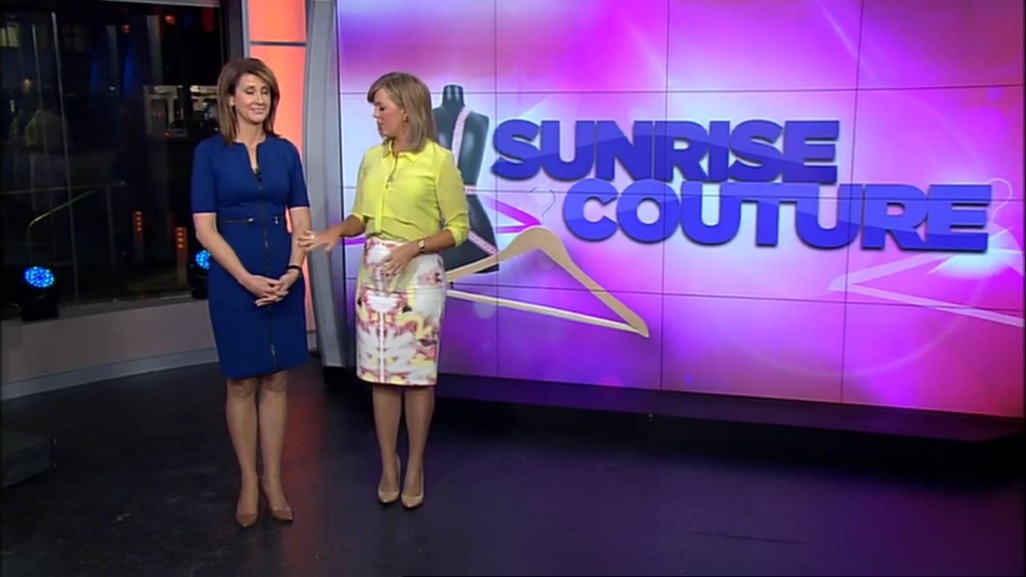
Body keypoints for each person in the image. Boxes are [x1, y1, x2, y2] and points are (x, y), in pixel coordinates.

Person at [300, 71, 470, 510]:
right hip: (375, 277)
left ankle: (415, 467)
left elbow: (458, 229)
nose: (376, 116)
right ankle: (388, 467)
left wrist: (414, 247)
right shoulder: (372, 159)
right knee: (380, 377)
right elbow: (361, 218)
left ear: (407, 111)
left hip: (419, 277)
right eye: (375, 108)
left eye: (382, 107)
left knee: (416, 379)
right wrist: (335, 231)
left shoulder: (438, 161)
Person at [191, 58, 312, 528]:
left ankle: (273, 481)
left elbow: (301, 220)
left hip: (283, 275)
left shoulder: (285, 152)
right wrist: (244, 278)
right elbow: (204, 229)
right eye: (250, 91)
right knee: (241, 381)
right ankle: (247, 480)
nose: (259, 99)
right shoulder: (209, 153)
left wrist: (293, 270)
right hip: (233, 278)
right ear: (230, 98)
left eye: (265, 92)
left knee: (277, 379)